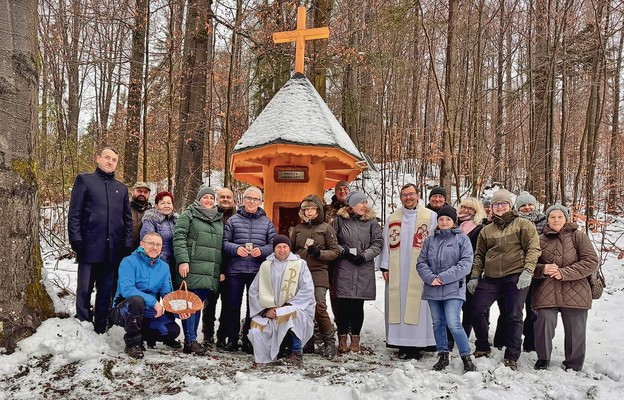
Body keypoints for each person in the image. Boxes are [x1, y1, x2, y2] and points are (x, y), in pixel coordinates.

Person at [467, 189, 541, 370]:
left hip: (515, 275)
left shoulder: (523, 224)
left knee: (514, 314)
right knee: (475, 309)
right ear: (491, 208)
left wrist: (528, 271)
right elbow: (479, 255)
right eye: (496, 204)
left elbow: (533, 248)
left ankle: (512, 354)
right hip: (491, 278)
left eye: (503, 204)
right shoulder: (486, 230)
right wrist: (475, 276)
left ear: (510, 206)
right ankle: (483, 345)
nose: (500, 207)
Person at [68, 147, 133, 334]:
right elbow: (74, 213)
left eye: (114, 159)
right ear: (98, 158)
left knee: (106, 289)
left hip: (112, 247)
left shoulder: (121, 189)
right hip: (88, 244)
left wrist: (126, 242)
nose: (110, 161)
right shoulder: (85, 180)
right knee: (84, 287)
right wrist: (75, 238)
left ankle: (101, 325)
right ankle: (83, 321)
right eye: (107, 158)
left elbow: (127, 219)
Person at [532, 204, 599, 371]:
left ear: (566, 218)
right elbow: (529, 264)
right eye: (552, 217)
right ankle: (543, 358)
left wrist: (564, 273)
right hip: (547, 290)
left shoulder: (578, 236)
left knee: (576, 328)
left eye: (559, 216)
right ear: (547, 219)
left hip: (576, 289)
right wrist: (543, 269)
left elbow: (591, 261)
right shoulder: (539, 239)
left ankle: (574, 364)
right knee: (544, 320)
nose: (556, 220)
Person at [110, 232, 189, 359]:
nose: (155, 247)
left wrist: (178, 310)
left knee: (172, 330)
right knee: (137, 300)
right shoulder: (128, 262)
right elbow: (127, 290)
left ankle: (142, 335)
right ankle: (133, 343)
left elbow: (167, 294)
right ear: (142, 244)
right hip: (124, 309)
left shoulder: (163, 267)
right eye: (151, 243)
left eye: (158, 245)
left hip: (147, 313)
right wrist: (154, 302)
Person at [380, 183, 437, 359]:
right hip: (397, 271)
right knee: (398, 303)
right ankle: (400, 343)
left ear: (418, 195)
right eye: (404, 195)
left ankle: (418, 344)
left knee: (419, 305)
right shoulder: (392, 219)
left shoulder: (431, 217)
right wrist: (385, 265)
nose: (408, 198)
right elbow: (386, 244)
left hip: (421, 270)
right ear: (401, 198)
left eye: (411, 194)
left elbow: (435, 242)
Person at [416, 205, 476, 372]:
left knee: (454, 323)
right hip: (432, 288)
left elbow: (465, 264)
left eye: (448, 219)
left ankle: (466, 357)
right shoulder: (430, 240)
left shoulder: (462, 239)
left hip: (453, 289)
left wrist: (442, 278)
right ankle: (443, 355)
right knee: (438, 323)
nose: (444, 222)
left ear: (453, 221)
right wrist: (431, 278)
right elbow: (421, 263)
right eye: (441, 219)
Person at [222, 186, 277, 353]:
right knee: (232, 305)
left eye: (255, 199)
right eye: (249, 198)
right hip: (235, 270)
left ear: (260, 202)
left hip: (257, 271)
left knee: (254, 307)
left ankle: (249, 339)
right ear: (243, 200)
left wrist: (262, 251)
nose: (252, 202)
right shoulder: (233, 220)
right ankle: (231, 339)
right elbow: (224, 242)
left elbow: (273, 245)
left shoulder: (267, 222)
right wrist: (235, 248)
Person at [248, 235, 316, 366]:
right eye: (278, 247)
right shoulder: (266, 266)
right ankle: (269, 355)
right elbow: (254, 291)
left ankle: (296, 353)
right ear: (274, 249)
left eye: (285, 246)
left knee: (289, 314)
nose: (282, 250)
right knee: (256, 329)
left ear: (289, 248)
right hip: (270, 311)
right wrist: (266, 311)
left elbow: (307, 289)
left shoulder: (300, 264)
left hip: (295, 307)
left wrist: (286, 306)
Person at [173, 185, 224, 355]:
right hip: (192, 266)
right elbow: (179, 237)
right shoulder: (188, 215)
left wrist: (220, 269)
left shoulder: (218, 219)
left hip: (210, 268)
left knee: (197, 304)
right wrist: (182, 260)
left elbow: (219, 247)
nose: (209, 200)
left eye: (211, 198)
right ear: (199, 199)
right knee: (189, 302)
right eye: (205, 197)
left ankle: (192, 339)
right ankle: (190, 340)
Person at [332, 191, 384, 353]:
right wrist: (344, 252)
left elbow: (378, 242)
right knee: (343, 306)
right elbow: (332, 240)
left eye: (366, 202)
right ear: (352, 205)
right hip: (344, 267)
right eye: (361, 202)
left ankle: (355, 339)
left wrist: (365, 256)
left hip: (363, 266)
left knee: (357, 305)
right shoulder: (339, 221)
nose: (365, 205)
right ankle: (342, 338)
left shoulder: (372, 222)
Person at [495, 190, 547, 352]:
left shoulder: (544, 222)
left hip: (536, 272)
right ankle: (501, 340)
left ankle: (530, 343)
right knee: (508, 308)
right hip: (513, 270)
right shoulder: (512, 222)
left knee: (533, 309)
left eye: (530, 204)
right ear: (517, 208)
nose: (527, 208)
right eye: (523, 205)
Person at [290, 194, 341, 359]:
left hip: (319, 272)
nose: (309, 212)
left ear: (318, 210)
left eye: (312, 209)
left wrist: (319, 253)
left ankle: (329, 342)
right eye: (306, 209)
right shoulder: (297, 229)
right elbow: (290, 251)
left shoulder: (326, 228)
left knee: (319, 307)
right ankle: (307, 341)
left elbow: (335, 252)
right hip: (300, 273)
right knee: (301, 308)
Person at [203, 187, 237, 349]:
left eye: (228, 197)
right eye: (222, 197)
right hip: (212, 265)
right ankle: (207, 335)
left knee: (228, 303)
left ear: (233, 200)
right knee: (210, 303)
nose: (225, 199)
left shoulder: (238, 217)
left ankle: (222, 335)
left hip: (232, 267)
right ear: (217, 199)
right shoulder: (211, 215)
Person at [457, 197, 487, 338]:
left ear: (476, 211)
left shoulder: (480, 228)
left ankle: (465, 334)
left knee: (468, 306)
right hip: (454, 271)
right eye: (463, 207)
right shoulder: (454, 225)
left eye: (470, 208)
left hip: (471, 271)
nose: (465, 210)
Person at [140, 191, 177, 268]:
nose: (166, 206)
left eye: (169, 203)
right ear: (157, 206)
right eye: (162, 203)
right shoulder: (150, 220)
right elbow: (148, 242)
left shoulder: (176, 221)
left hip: (175, 263)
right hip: (157, 263)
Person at [130, 182, 152, 249]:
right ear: (132, 192)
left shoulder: (152, 212)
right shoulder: (124, 208)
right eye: (139, 191)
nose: (142, 194)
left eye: (145, 192)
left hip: (145, 251)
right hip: (124, 251)